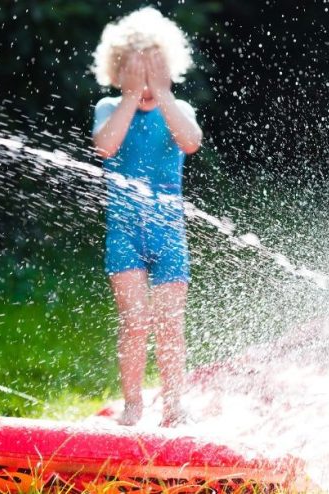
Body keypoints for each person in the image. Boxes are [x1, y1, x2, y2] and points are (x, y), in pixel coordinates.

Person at [90, 7, 202, 427]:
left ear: (171, 72)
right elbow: (105, 147)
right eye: (137, 76)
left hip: (168, 233)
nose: (147, 86)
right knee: (135, 321)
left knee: (170, 324)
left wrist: (165, 95)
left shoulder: (178, 108)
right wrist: (130, 97)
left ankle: (174, 404)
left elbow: (190, 141)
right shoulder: (108, 108)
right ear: (117, 75)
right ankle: (133, 403)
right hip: (124, 233)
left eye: (156, 74)